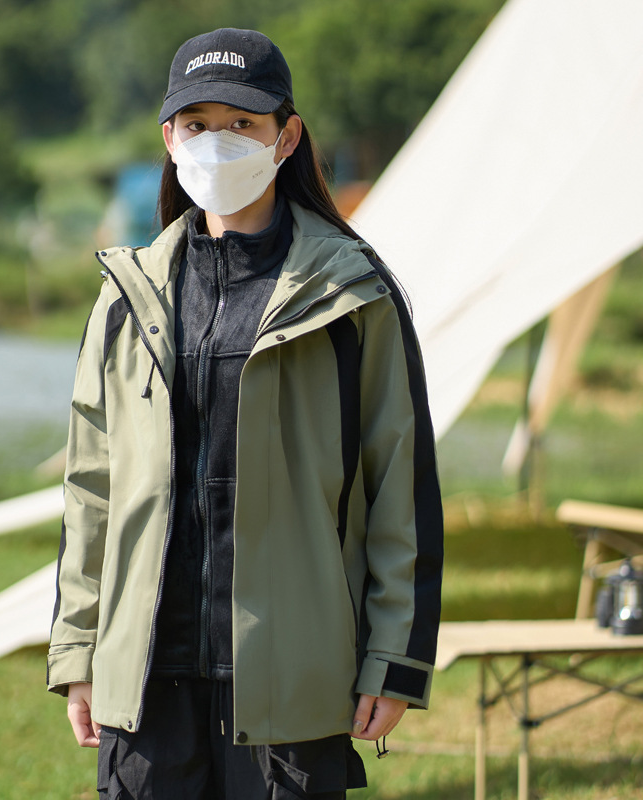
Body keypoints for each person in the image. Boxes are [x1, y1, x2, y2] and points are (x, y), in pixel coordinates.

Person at [47, 27, 444, 800]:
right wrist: (79, 653)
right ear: (169, 139)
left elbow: (401, 486)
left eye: (242, 124)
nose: (217, 143)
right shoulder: (128, 297)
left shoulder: (352, 295)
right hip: (147, 683)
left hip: (292, 680)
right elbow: (91, 491)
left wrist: (394, 660)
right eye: (197, 124)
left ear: (286, 137)